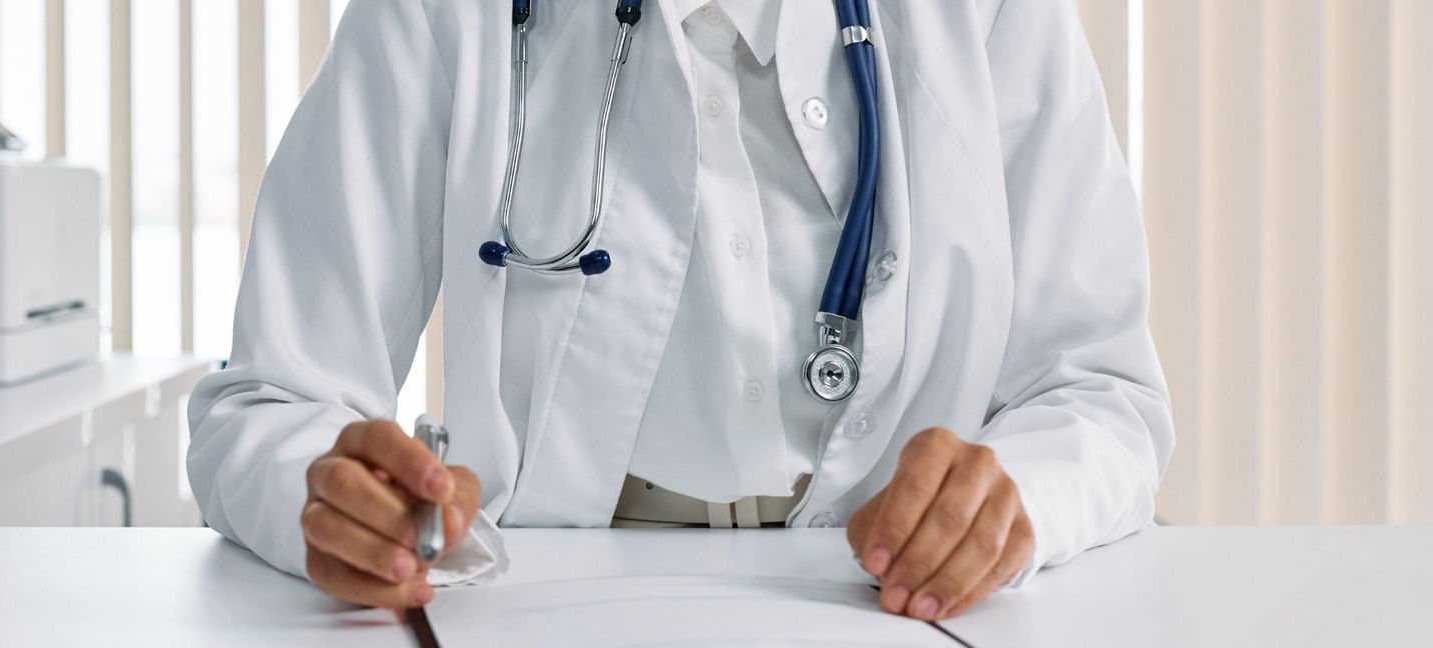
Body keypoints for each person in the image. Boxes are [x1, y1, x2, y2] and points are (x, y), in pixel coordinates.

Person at [188, 0, 1173, 622]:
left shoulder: (991, 14)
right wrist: (326, 498)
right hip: (547, 603)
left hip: (893, 608)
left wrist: (1009, 503)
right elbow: (268, 404)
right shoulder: (444, 15)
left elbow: (1101, 394)